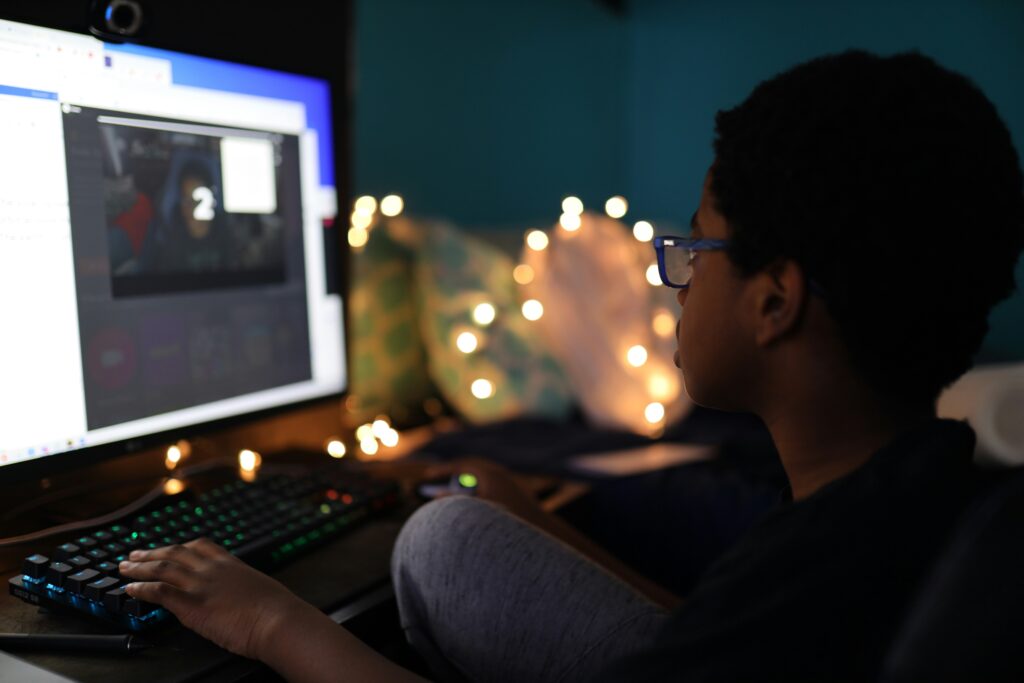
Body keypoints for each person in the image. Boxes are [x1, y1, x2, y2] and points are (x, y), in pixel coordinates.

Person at [117, 49, 1024, 682]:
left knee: (439, 543)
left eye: (695, 249)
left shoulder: (828, 563)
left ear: (775, 300)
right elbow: (704, 640)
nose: (673, 282)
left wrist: (271, 621)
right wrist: (543, 526)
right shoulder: (911, 494)